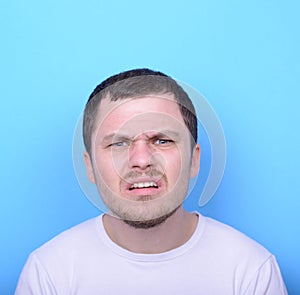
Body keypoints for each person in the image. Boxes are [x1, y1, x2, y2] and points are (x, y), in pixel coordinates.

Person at [15, 68, 288, 294]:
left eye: (162, 140)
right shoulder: (49, 273)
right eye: (119, 143)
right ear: (90, 167)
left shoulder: (251, 271)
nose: (142, 160)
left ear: (194, 160)